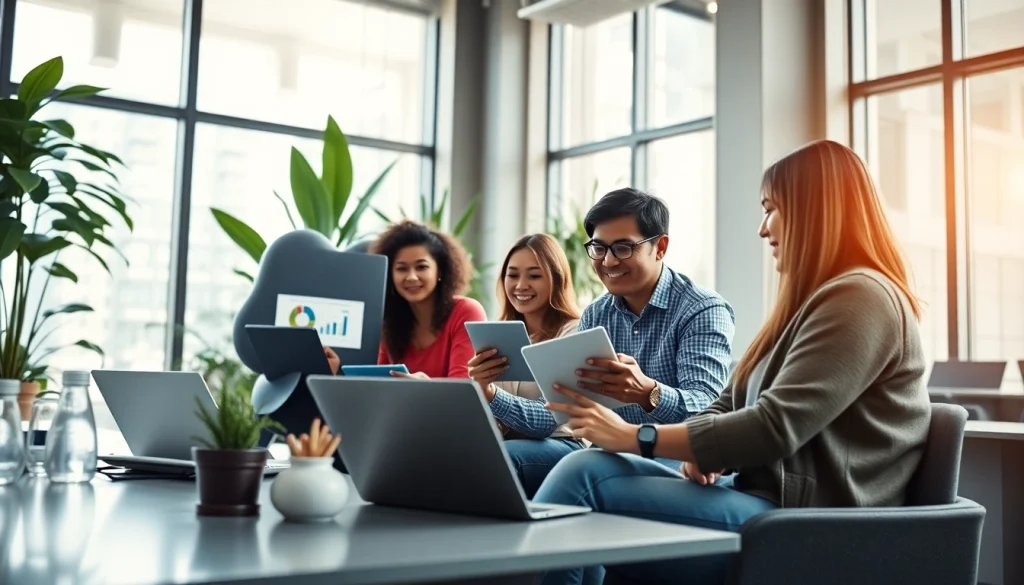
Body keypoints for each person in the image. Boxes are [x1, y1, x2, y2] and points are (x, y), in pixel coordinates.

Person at [533, 139, 932, 585]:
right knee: (589, 467)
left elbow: (774, 427)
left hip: (810, 520)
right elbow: (729, 399)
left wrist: (637, 435)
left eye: (771, 209)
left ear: (815, 211)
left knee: (583, 478)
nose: (763, 228)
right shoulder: (810, 303)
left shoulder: (861, 298)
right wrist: (701, 450)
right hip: (758, 494)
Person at [466, 234, 584, 497]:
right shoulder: (497, 335)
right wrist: (475, 392)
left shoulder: (574, 332)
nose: (520, 285)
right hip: (508, 443)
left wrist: (489, 393)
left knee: (502, 456)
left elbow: (545, 421)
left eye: (534, 275)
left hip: (564, 444)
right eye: (512, 275)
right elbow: (492, 422)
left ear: (556, 278)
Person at [325, 220, 485, 379]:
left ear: (440, 271)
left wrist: (426, 387)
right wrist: (336, 372)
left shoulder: (466, 311)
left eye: (421, 267)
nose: (411, 277)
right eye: (402, 268)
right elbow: (379, 387)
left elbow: (464, 391)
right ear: (389, 275)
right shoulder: (389, 323)